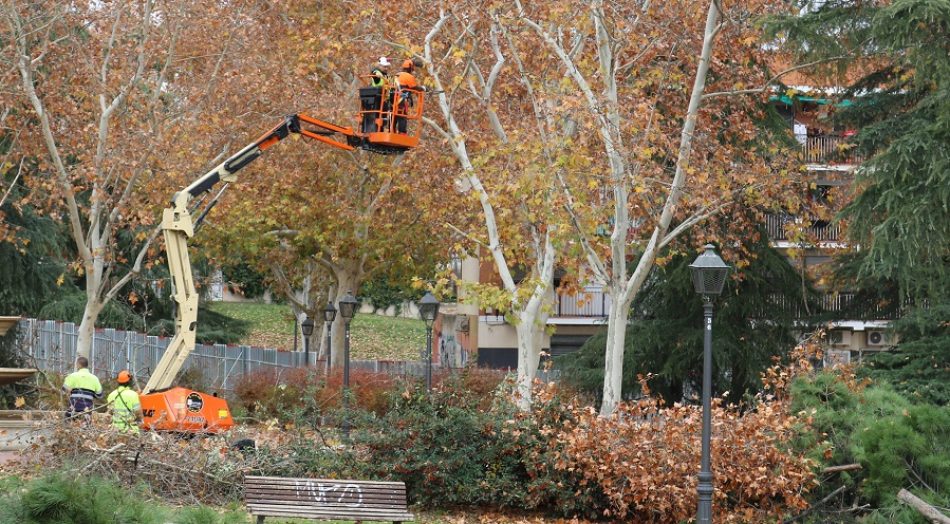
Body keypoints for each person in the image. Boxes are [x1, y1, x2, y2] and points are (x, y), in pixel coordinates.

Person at [62, 356, 102, 423]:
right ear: (87, 365)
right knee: (86, 431)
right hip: (87, 410)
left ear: (78, 364)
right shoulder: (95, 378)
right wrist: (90, 393)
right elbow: (99, 395)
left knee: (67, 428)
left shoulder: (72, 376)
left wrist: (71, 391)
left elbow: (63, 391)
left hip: (73, 409)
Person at [394, 59, 424, 133]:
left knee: (394, 115)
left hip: (393, 98)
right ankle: (402, 133)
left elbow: (404, 87)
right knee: (402, 116)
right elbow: (414, 87)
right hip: (402, 98)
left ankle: (392, 130)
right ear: (410, 67)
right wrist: (423, 88)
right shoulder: (408, 76)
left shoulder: (397, 75)